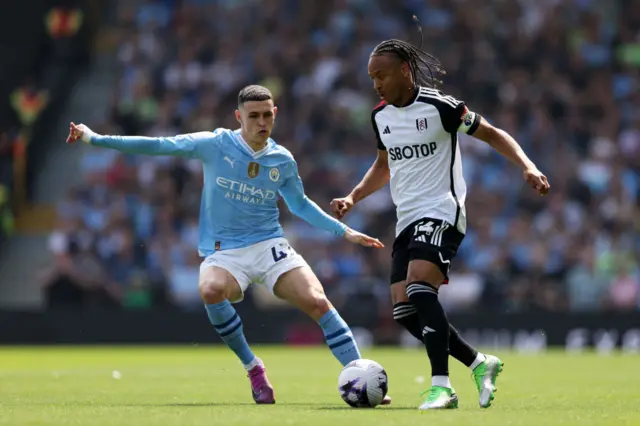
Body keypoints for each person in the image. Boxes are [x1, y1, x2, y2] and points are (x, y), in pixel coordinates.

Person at [66, 84, 392, 405]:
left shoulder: (282, 160)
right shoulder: (214, 144)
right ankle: (254, 369)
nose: (261, 122)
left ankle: (361, 377)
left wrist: (343, 232)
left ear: (275, 114)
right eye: (254, 116)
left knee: (318, 302)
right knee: (210, 289)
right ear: (239, 116)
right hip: (225, 252)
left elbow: (300, 205)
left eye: (267, 115)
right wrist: (94, 137)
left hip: (269, 247)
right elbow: (159, 145)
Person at [331, 37, 550, 410]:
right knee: (403, 311)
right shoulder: (380, 116)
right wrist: (353, 196)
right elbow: (384, 165)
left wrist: (527, 166)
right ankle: (480, 363)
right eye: (371, 78)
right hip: (407, 219)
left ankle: (442, 387)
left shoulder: (441, 107)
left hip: (442, 210)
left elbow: (492, 133)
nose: (376, 83)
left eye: (381, 75)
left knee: (419, 288)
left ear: (405, 70)